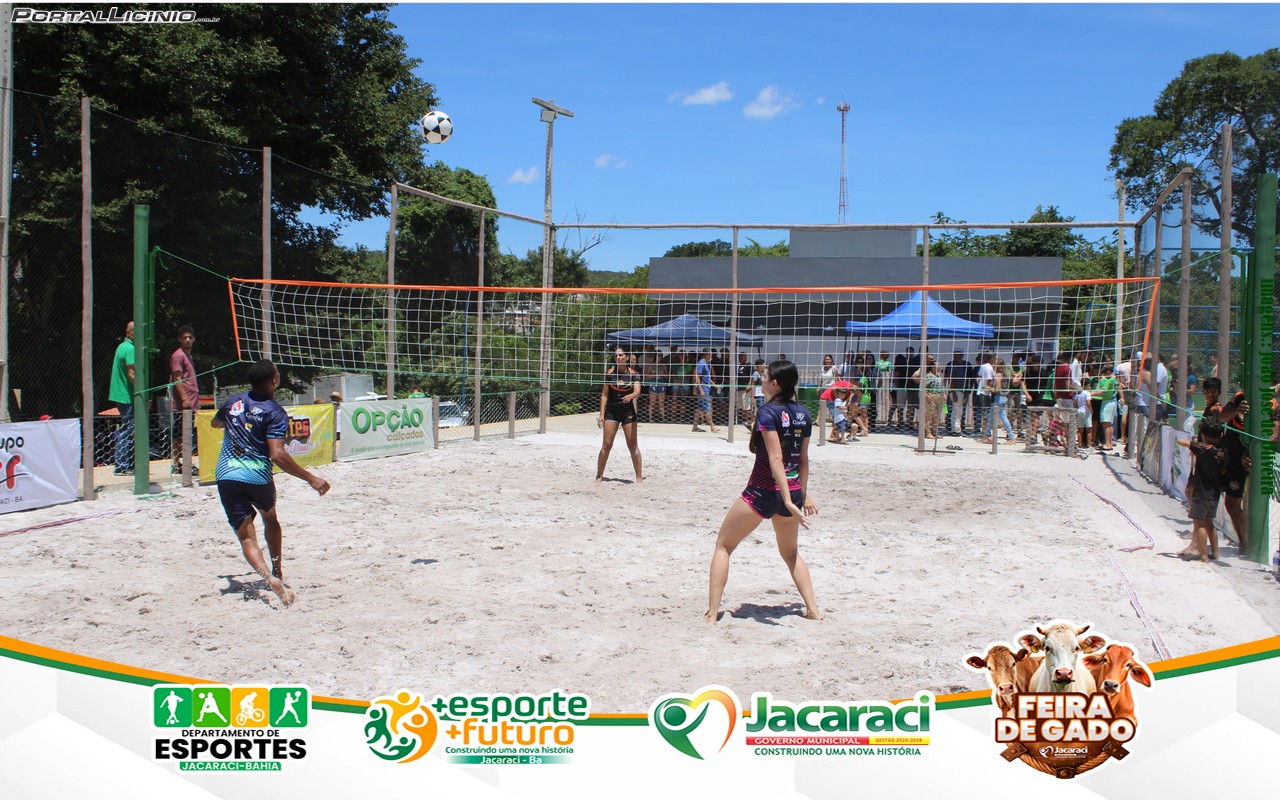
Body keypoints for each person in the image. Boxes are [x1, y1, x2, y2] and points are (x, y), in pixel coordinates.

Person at [705, 360, 820, 625]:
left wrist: (789, 500)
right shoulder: (803, 413)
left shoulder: (767, 412)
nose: (762, 379)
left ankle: (712, 615)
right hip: (792, 489)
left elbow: (775, 458)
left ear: (775, 383)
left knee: (723, 546)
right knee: (791, 554)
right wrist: (800, 496)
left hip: (764, 491)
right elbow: (803, 461)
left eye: (765, 376)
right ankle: (814, 610)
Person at [211, 359, 331, 607]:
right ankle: (277, 570)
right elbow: (277, 455)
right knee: (270, 519)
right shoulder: (274, 412)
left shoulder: (233, 401)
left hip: (226, 474)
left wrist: (235, 423)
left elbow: (215, 422)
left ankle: (267, 576)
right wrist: (311, 478)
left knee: (247, 538)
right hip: (257, 475)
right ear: (274, 381)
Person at [1178, 418, 1228, 563]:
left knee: (1199, 524)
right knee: (1210, 523)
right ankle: (1215, 553)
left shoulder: (1204, 449)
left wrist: (1195, 443)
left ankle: (1204, 556)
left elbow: (1182, 442)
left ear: (1204, 435)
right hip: (1215, 494)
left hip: (1201, 492)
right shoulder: (1223, 452)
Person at [596, 346, 643, 482]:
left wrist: (631, 395)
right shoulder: (610, 373)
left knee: (632, 445)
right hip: (612, 411)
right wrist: (601, 414)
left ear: (627, 357)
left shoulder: (633, 373)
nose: (618, 357)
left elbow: (637, 391)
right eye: (616, 355)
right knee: (606, 444)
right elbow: (604, 395)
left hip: (628, 411)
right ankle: (599, 476)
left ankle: (639, 478)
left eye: (621, 355)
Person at [169, 325, 198, 472]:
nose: (187, 340)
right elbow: (177, 378)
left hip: (190, 403)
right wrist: (185, 399)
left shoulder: (188, 356)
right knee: (181, 435)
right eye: (184, 337)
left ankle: (180, 463)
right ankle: (182, 464)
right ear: (179, 339)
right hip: (182, 404)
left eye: (190, 337)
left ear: (193, 339)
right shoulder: (178, 356)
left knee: (184, 433)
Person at [109, 320, 136, 475]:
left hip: (121, 394)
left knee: (127, 428)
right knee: (128, 429)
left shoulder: (122, 346)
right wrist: (144, 393)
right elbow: (131, 373)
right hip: (127, 395)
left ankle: (125, 464)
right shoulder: (130, 349)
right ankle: (122, 465)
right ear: (128, 332)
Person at [912, 354, 945, 439]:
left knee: (936, 416)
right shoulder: (928, 375)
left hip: (939, 396)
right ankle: (928, 433)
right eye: (937, 366)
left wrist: (944, 394)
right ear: (933, 367)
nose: (939, 367)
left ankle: (935, 432)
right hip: (931, 396)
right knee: (928, 416)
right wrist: (926, 395)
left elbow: (941, 386)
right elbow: (924, 386)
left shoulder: (938, 376)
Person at [693, 348, 718, 433]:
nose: (712, 355)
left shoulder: (706, 364)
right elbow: (697, 377)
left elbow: (706, 377)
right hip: (704, 388)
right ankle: (712, 427)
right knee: (707, 407)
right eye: (710, 354)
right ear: (707, 354)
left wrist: (714, 385)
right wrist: (701, 390)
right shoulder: (701, 363)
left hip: (706, 387)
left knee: (700, 407)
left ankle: (695, 427)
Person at [1094, 364, 1119, 451]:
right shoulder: (1114, 380)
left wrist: (1090, 393)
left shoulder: (1109, 381)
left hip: (1107, 402)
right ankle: (1110, 443)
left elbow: (1102, 391)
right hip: (1111, 401)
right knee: (1110, 424)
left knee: (1106, 424)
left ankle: (1108, 444)